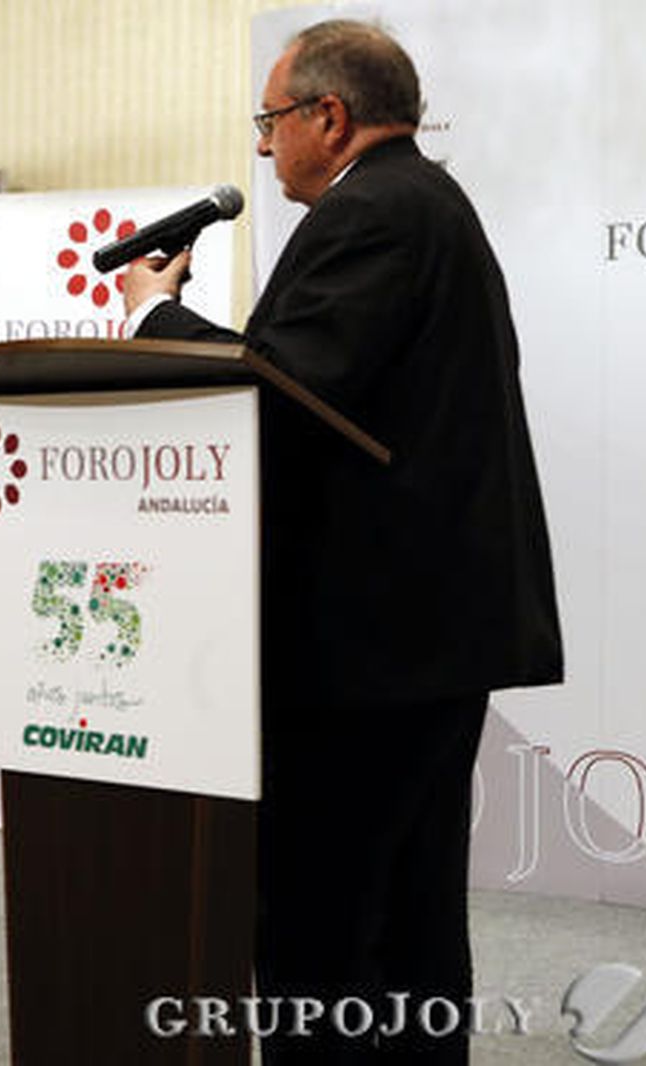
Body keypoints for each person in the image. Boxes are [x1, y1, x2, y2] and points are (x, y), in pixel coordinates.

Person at [122, 20, 562, 1064]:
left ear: (330, 115)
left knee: (321, 930)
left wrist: (156, 319)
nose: (263, 146)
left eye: (271, 122)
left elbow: (285, 393)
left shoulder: (372, 214)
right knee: (406, 928)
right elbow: (321, 385)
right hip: (414, 640)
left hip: (366, 647)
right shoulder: (419, 206)